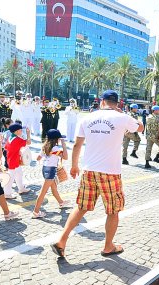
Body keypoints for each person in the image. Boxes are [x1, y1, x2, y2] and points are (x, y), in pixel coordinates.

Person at [51, 90, 144, 258]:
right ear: (117, 103)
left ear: (102, 102)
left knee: (81, 207)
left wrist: (74, 166)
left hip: (89, 170)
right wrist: (124, 114)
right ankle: (108, 246)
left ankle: (62, 240)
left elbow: (77, 145)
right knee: (113, 210)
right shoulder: (122, 117)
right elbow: (141, 127)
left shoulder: (87, 118)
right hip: (110, 172)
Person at [33, 129, 69, 219]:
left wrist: (47, 156)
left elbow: (38, 158)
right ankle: (36, 212)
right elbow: (66, 157)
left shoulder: (45, 146)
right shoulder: (56, 148)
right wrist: (64, 144)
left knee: (53, 188)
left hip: (45, 169)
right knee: (43, 192)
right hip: (51, 171)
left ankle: (61, 202)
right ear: (57, 139)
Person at [3, 123, 32, 199]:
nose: (22, 131)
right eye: (20, 130)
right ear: (17, 131)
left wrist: (17, 151)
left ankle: (21, 189)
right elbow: (28, 142)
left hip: (12, 159)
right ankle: (7, 193)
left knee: (19, 174)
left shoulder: (11, 137)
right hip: (13, 161)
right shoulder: (17, 139)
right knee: (11, 178)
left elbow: (6, 148)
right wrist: (28, 134)